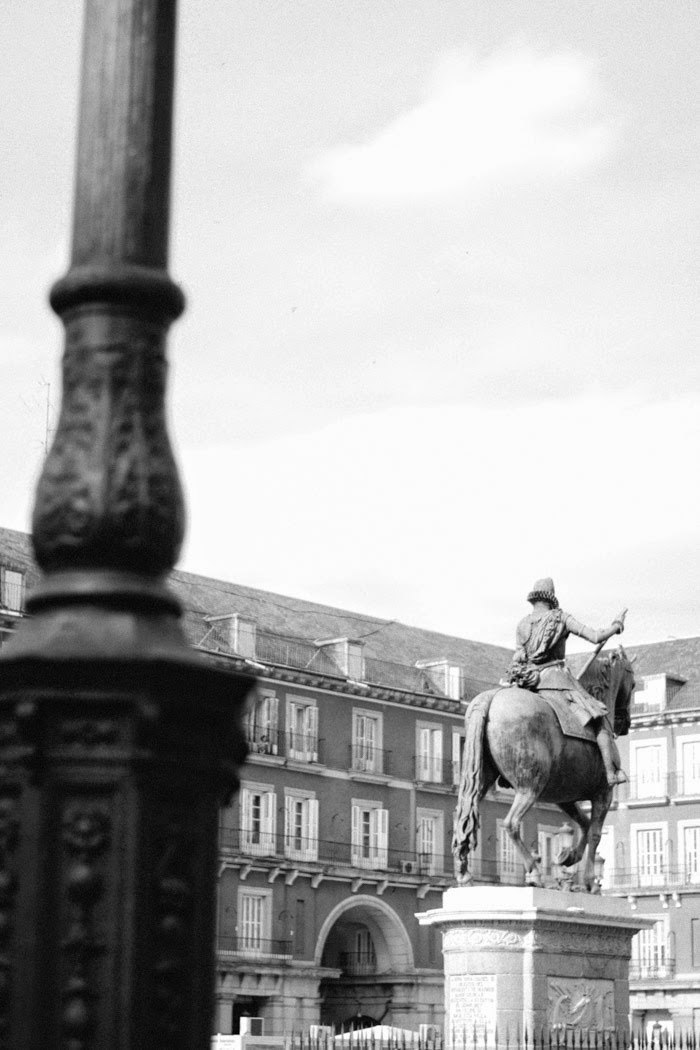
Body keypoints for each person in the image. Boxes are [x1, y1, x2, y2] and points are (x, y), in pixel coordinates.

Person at [506, 577, 627, 786]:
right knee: (598, 719)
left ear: (533, 600)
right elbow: (596, 636)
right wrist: (616, 625)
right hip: (555, 679)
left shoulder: (522, 623)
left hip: (527, 681)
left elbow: (519, 657)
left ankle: (506, 774)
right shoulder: (561, 618)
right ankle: (610, 773)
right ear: (552, 598)